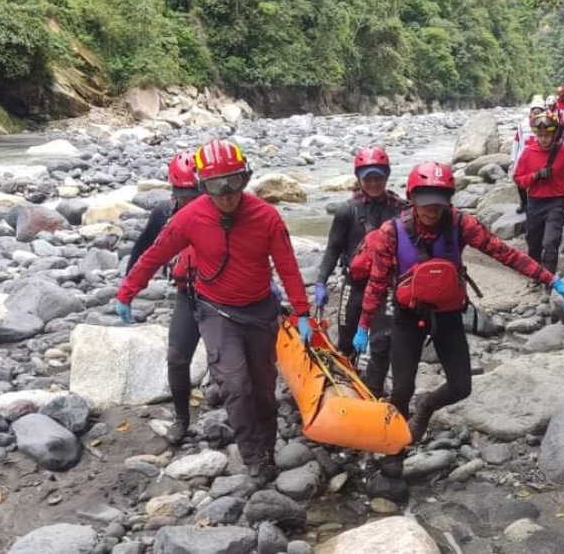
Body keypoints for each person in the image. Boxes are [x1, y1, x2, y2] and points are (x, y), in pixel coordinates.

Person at [353, 162, 564, 474]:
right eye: (425, 202)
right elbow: (378, 282)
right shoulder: (392, 232)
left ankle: (427, 406)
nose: (432, 209)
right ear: (412, 198)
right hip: (407, 316)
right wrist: (364, 325)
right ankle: (394, 450)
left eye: (439, 202)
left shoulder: (461, 224)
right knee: (402, 388)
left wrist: (550, 279)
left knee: (461, 386)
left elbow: (505, 253)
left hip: (447, 316)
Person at [115, 139, 312, 482]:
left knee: (264, 389)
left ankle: (267, 446)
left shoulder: (266, 217)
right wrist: (127, 292)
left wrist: (302, 312)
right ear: (202, 187)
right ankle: (253, 458)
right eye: (216, 186)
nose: (226, 194)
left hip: (260, 312)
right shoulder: (190, 217)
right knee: (235, 384)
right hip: (216, 312)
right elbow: (155, 254)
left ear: (246, 178)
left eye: (233, 182)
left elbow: (289, 267)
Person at [122, 151, 204, 440]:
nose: (192, 202)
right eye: (185, 195)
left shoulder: (223, 210)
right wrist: (127, 291)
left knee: (230, 365)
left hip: (223, 295)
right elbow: (145, 251)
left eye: (197, 194)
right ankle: (182, 420)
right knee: (177, 358)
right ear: (174, 191)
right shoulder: (164, 213)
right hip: (188, 294)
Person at [314, 147, 405, 395]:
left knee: (381, 342)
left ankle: (374, 390)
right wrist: (321, 281)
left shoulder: (401, 210)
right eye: (368, 178)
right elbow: (333, 249)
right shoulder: (347, 211)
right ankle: (345, 385)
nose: (374, 183)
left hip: (386, 287)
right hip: (354, 285)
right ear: (359, 179)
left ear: (386, 177)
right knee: (346, 340)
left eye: (379, 177)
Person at [513, 111, 564, 274]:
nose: (543, 139)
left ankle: (549, 279)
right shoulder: (528, 153)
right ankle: (536, 275)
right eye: (540, 135)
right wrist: (536, 176)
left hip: (556, 203)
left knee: (551, 242)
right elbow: (518, 179)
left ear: (554, 134)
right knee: (534, 244)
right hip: (534, 203)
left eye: (547, 135)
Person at [510, 103, 545, 213]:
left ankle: (538, 204)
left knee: (538, 181)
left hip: (538, 158)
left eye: (539, 114)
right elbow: (516, 141)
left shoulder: (546, 125)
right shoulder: (522, 125)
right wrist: (513, 158)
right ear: (530, 113)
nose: (536, 116)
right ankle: (524, 203)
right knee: (520, 182)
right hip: (523, 158)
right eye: (534, 113)